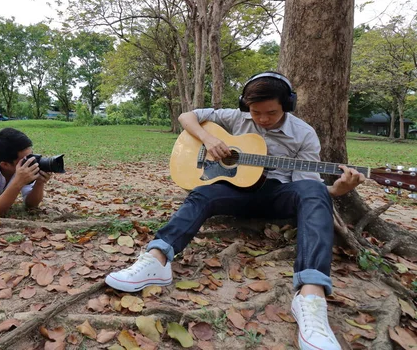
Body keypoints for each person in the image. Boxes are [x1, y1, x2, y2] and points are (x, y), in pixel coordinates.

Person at [105, 72, 365, 350]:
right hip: (235, 193)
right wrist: (208, 139)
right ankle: (156, 259)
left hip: (279, 196)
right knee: (202, 193)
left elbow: (305, 188)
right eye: (256, 112)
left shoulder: (303, 134)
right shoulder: (234, 118)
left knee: (313, 191)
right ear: (245, 106)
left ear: (287, 105)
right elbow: (186, 116)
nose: (263, 119)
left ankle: (310, 296)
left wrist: (336, 192)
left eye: (271, 112)